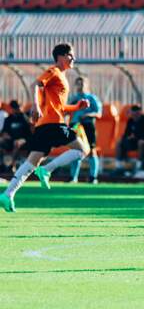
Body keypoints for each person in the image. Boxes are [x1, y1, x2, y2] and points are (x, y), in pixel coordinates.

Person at [0, 43, 90, 212]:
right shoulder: (54, 71)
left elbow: (60, 107)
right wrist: (35, 105)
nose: (74, 58)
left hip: (44, 125)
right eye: (70, 55)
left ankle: (8, 194)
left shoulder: (62, 78)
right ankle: (47, 170)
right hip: (53, 124)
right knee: (82, 150)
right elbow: (36, 84)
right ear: (61, 57)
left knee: (31, 163)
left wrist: (77, 107)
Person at [68, 77, 103, 183]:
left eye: (82, 84)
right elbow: (66, 111)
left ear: (87, 85)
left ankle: (93, 177)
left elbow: (99, 113)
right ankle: (73, 177)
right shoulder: (74, 98)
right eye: (78, 84)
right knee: (75, 150)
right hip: (75, 126)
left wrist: (87, 115)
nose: (80, 86)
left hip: (88, 125)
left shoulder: (92, 98)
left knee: (92, 150)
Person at [115, 105, 144, 173]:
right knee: (119, 142)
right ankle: (119, 166)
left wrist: (136, 137)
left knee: (140, 142)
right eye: (133, 114)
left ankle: (139, 165)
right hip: (135, 142)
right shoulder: (130, 121)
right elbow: (126, 134)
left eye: (136, 114)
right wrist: (128, 137)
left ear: (140, 113)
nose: (134, 116)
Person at [0, 101, 32, 172]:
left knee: (17, 143)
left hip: (23, 140)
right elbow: (5, 131)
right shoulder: (8, 119)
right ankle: (2, 164)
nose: (14, 110)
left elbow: (29, 133)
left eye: (16, 108)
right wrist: (5, 135)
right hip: (11, 140)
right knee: (1, 141)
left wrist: (23, 139)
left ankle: (11, 165)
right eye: (13, 108)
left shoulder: (23, 118)